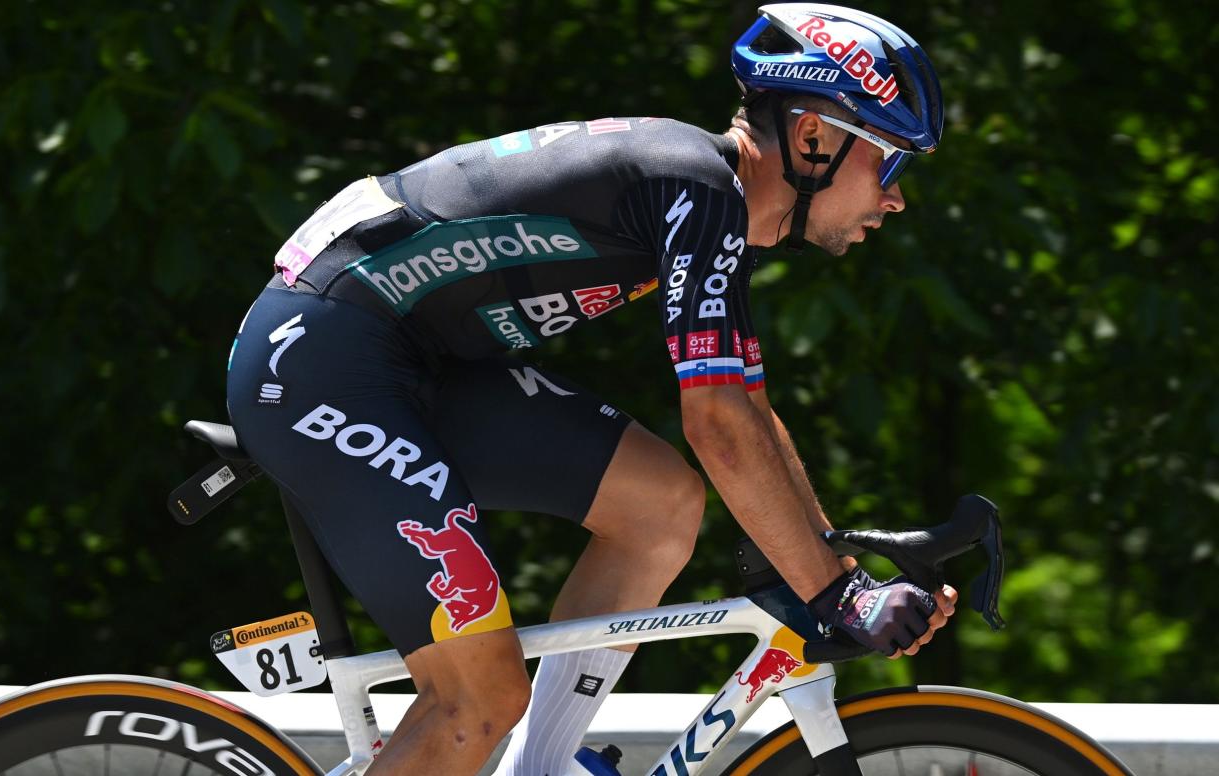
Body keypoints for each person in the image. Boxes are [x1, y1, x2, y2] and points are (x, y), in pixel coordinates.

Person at [224, 4, 957, 774]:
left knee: (659, 504)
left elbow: (748, 412)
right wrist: (835, 598)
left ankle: (539, 768)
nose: (897, 198)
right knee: (477, 703)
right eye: (892, 163)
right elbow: (714, 425)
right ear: (813, 138)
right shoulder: (698, 188)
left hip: (407, 359)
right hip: (319, 365)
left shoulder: (703, 194)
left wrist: (837, 575)